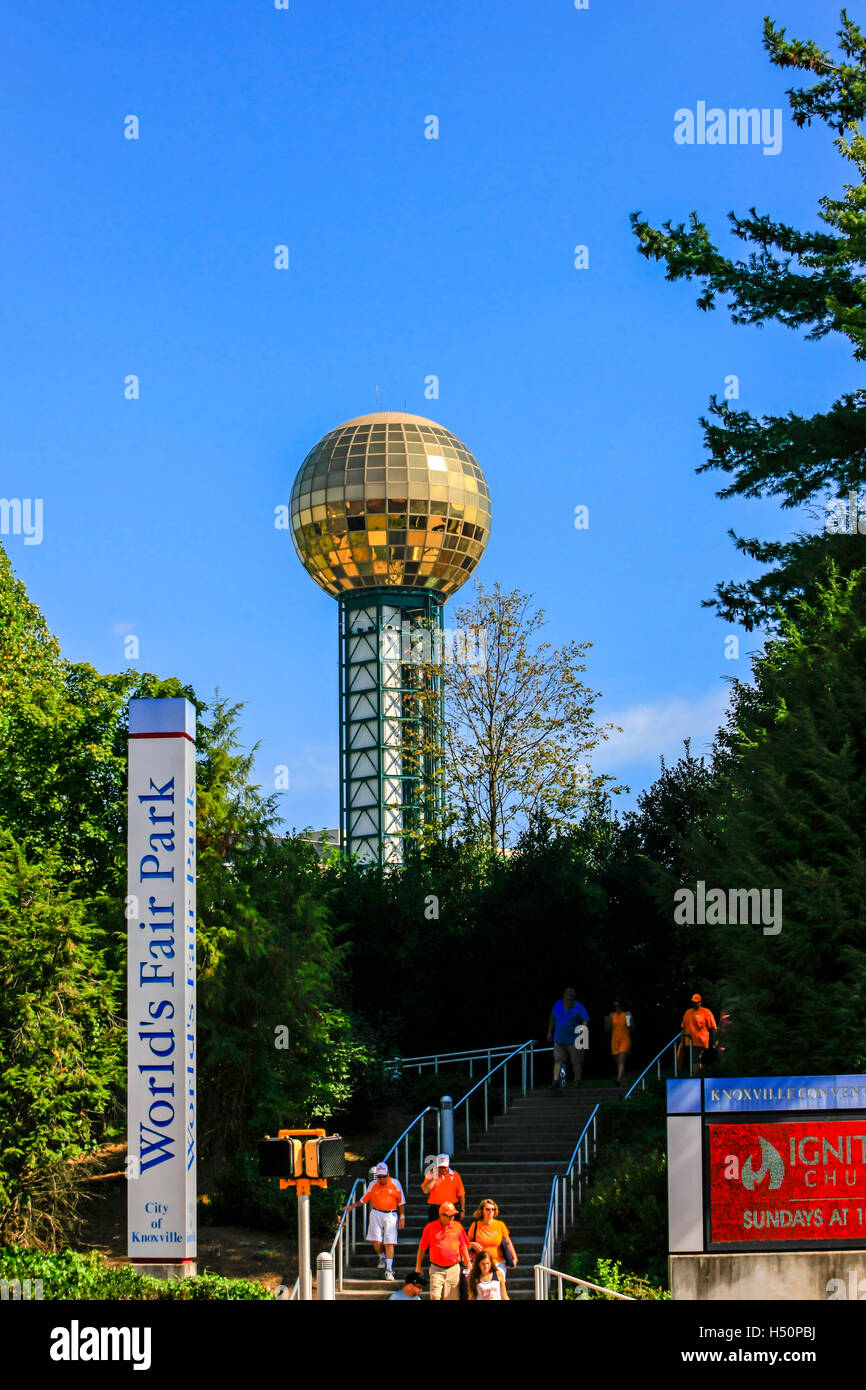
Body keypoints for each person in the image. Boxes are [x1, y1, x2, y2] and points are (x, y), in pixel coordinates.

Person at [343, 1161, 405, 1281]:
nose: (381, 1179)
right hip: (376, 1213)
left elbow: (401, 1202)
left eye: (384, 1176)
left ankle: (389, 1269)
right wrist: (352, 1206)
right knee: (377, 1241)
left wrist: (402, 1216)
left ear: (388, 1174)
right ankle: (381, 1256)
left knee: (389, 1242)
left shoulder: (396, 1183)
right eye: (379, 1176)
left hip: (391, 1214)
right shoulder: (372, 1185)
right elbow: (363, 1199)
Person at [415, 1202, 472, 1301]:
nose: (452, 1218)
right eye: (449, 1216)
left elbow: (463, 1246)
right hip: (436, 1268)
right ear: (441, 1215)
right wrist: (418, 1265)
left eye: (453, 1215)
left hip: (453, 1268)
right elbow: (422, 1248)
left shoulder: (457, 1226)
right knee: (435, 1297)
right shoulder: (430, 1228)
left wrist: (468, 1262)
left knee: (452, 1298)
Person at [547, 987, 589, 1089]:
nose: (570, 1001)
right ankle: (555, 1080)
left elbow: (585, 1019)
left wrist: (583, 1028)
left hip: (574, 1040)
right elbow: (552, 1019)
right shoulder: (557, 1005)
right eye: (569, 999)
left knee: (576, 1061)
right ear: (564, 997)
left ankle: (577, 1080)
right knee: (558, 1060)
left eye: (572, 999)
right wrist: (549, 1032)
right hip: (559, 1039)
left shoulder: (579, 1007)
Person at [466, 1199, 517, 1279]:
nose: (491, 1211)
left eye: (493, 1209)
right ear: (482, 1211)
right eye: (488, 1209)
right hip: (481, 1264)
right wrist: (472, 1244)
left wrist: (514, 1258)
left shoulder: (500, 1225)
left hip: (498, 1263)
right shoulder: (475, 1226)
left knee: (498, 1287)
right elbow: (465, 1245)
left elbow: (508, 1243)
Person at [679, 993, 718, 1072]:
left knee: (695, 1059)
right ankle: (700, 1075)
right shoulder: (687, 1012)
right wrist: (682, 1041)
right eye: (693, 1002)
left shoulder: (705, 1012)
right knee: (694, 1059)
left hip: (700, 1040)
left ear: (700, 1002)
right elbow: (683, 1028)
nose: (694, 1004)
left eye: (696, 1002)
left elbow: (713, 1027)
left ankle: (697, 1077)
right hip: (689, 1041)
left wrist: (715, 1041)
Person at [421, 1153, 465, 1221]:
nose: (443, 1169)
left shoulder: (455, 1175)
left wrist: (462, 1210)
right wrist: (433, 1177)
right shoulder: (431, 1174)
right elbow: (425, 1190)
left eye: (445, 1167)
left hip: (451, 1208)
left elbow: (461, 1194)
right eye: (440, 1167)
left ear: (448, 1165)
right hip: (436, 1209)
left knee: (452, 1230)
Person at [604, 999, 632, 1087]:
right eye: (615, 1006)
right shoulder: (612, 1015)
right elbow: (607, 1029)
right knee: (618, 1063)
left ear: (622, 1006)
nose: (617, 1008)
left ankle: (618, 1079)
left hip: (625, 1039)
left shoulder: (627, 1014)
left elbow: (631, 1027)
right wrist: (607, 1021)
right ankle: (624, 1083)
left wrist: (630, 1021)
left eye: (618, 1006)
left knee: (621, 1060)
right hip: (615, 1041)